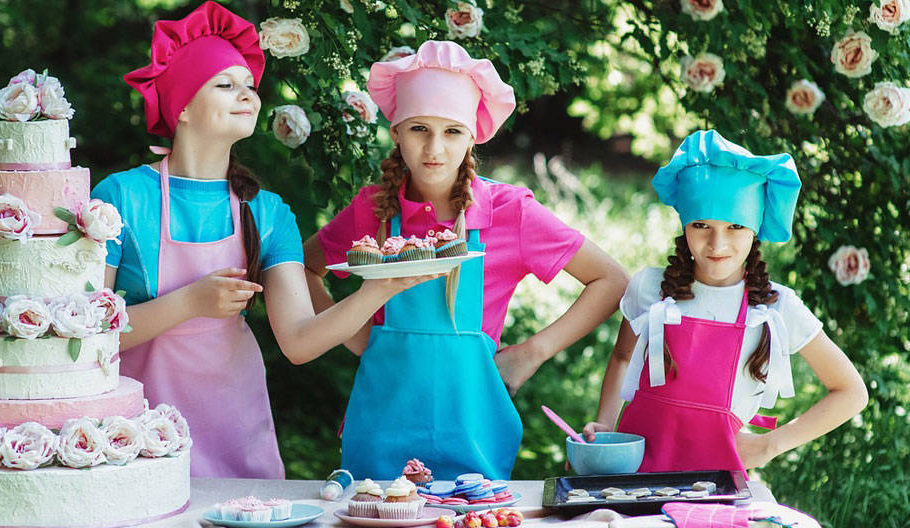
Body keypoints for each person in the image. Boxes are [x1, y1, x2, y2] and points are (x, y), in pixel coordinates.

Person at [94, 1, 433, 479]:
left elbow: (298, 341)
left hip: (233, 423)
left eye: (250, 87)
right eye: (225, 85)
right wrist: (190, 302)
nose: (248, 96)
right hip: (136, 431)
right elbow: (85, 339)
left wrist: (379, 289)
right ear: (182, 106)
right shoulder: (120, 198)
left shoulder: (268, 212)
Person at [304, 40, 629, 480]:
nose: (434, 147)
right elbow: (304, 266)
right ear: (396, 131)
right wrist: (352, 331)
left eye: (452, 131)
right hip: (380, 430)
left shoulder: (509, 212)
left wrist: (532, 352)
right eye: (419, 128)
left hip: (475, 434)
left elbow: (610, 280)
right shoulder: (372, 210)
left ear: (473, 135)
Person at [579, 130, 868, 473]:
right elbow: (622, 357)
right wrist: (607, 428)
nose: (717, 245)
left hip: (714, 488)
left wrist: (768, 446)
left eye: (735, 227)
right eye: (701, 225)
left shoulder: (776, 309)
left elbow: (851, 391)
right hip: (631, 478)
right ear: (685, 225)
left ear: (755, 230)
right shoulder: (649, 288)